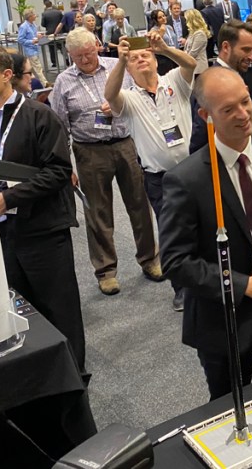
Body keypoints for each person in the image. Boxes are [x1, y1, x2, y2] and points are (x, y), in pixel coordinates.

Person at [162, 68, 252, 400]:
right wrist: (244, 285)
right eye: (228, 109)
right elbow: (175, 261)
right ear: (206, 115)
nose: (243, 115)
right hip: (223, 320)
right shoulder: (186, 180)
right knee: (232, 414)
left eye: (245, 102)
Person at [0, 46, 85, 374]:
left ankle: (74, 378)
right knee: (19, 308)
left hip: (42, 229)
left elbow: (59, 173)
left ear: (6, 75)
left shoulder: (38, 115)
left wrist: (8, 199)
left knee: (58, 310)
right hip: (0, 233)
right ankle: (41, 378)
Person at [51, 28, 163, 296]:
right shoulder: (63, 82)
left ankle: (150, 260)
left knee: (139, 205)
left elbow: (143, 95)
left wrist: (116, 107)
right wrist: (66, 166)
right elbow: (59, 127)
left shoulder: (118, 66)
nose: (86, 60)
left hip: (127, 144)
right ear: (70, 55)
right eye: (78, 57)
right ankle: (106, 272)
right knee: (98, 212)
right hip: (89, 151)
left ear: (97, 47)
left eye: (89, 53)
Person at [105, 30, 197, 310]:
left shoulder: (174, 82)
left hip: (193, 170)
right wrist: (120, 60)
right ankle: (180, 287)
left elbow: (191, 64)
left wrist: (165, 48)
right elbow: (109, 94)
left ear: (156, 60)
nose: (141, 59)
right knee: (171, 233)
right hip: (160, 178)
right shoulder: (128, 98)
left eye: (145, 55)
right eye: (134, 59)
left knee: (204, 225)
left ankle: (207, 279)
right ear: (129, 69)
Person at [189, 18, 252, 154]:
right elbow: (200, 143)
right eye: (246, 50)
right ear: (226, 47)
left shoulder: (243, 76)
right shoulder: (209, 87)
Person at [17, 9, 46, 84]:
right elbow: (20, 39)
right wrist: (31, 42)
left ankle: (31, 83)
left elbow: (33, 35)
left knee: (31, 69)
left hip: (35, 48)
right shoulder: (24, 27)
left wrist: (39, 36)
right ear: (29, 17)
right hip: (30, 50)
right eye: (33, 15)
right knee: (38, 67)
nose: (35, 16)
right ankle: (45, 84)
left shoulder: (33, 25)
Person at [182, 8, 210, 73]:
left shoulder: (200, 34)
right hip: (192, 68)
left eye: (186, 19)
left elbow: (193, 53)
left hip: (198, 69)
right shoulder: (192, 33)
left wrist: (181, 57)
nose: (185, 22)